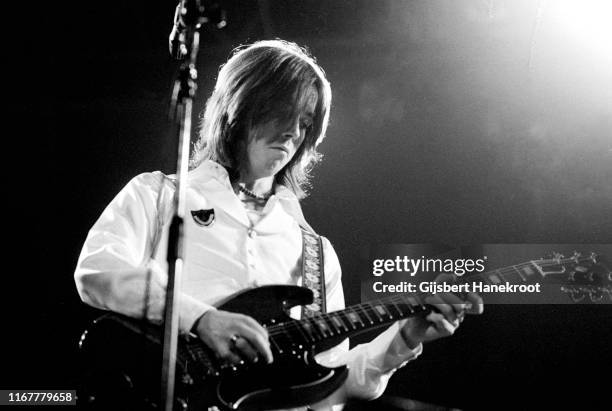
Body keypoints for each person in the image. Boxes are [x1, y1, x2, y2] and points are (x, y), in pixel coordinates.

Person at [74, 39, 482, 409]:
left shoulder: (316, 254)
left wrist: (404, 339)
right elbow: (98, 270)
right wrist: (201, 319)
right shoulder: (159, 195)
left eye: (305, 121)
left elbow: (330, 383)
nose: (293, 131)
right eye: (282, 112)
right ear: (239, 105)